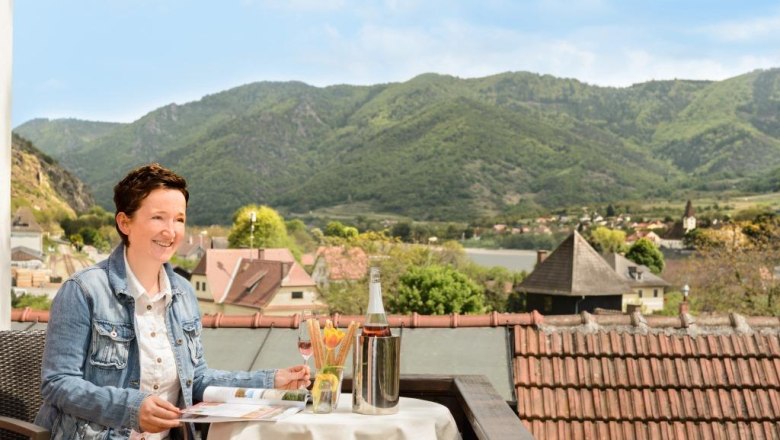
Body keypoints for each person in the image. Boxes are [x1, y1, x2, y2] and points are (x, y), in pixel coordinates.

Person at [35, 163, 310, 439]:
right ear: (124, 222)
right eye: (158, 218)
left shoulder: (184, 293)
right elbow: (58, 384)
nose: (171, 231)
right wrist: (131, 408)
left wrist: (270, 382)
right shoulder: (83, 290)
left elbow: (197, 380)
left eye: (179, 219)